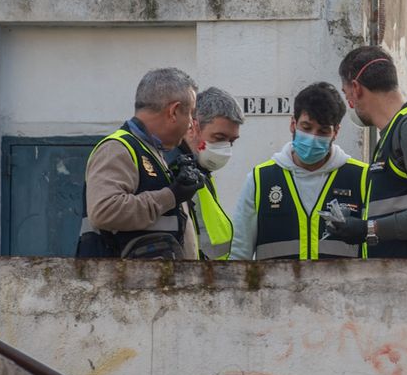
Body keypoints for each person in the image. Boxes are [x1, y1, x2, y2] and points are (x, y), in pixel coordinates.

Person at [326, 46, 407, 258]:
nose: (349, 103)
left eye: (346, 94)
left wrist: (369, 228)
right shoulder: (391, 136)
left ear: (356, 88)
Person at [76, 67, 203, 259]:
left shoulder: (152, 152)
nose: (191, 124)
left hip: (147, 283)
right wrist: (171, 195)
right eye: (191, 115)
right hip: (122, 284)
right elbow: (104, 211)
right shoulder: (117, 148)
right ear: (174, 111)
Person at [231, 82, 367, 259]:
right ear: (293, 124)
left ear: (336, 132)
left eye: (323, 131)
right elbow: (239, 254)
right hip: (275, 287)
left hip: (341, 288)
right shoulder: (260, 180)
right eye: (306, 127)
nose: (312, 137)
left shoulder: (361, 178)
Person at [181, 86, 243, 260]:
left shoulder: (201, 171)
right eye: (219, 138)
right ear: (193, 126)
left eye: (232, 141)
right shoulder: (176, 172)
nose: (226, 148)